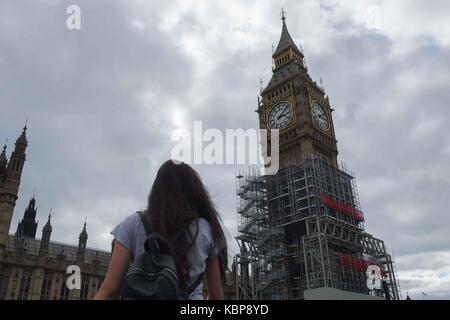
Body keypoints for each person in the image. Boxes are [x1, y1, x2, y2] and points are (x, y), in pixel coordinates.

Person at [94, 160, 227, 300]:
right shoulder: (206, 230)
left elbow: (110, 289)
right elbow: (217, 296)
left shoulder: (133, 223)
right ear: (193, 190)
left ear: (156, 189)